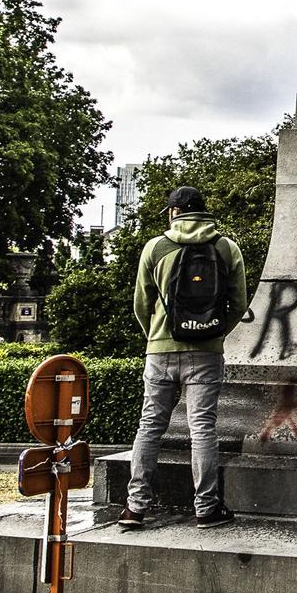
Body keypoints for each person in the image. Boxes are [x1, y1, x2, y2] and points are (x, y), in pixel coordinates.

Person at [119, 185, 253, 529]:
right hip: (206, 353)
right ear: (203, 211)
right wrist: (214, 332)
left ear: (174, 212)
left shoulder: (155, 247)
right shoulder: (226, 247)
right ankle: (207, 508)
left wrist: (156, 335)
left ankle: (135, 508)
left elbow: (141, 304)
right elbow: (239, 305)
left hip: (161, 350)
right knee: (202, 429)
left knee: (149, 426)